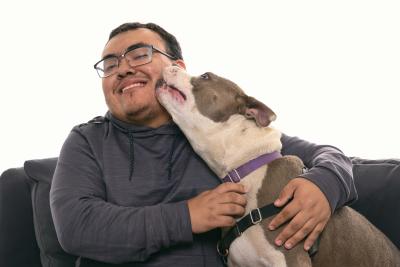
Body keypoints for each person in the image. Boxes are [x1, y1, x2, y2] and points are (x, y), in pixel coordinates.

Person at [50, 22, 357, 266]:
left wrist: (325, 185)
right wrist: (187, 216)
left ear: (178, 68)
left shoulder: (227, 135)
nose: (123, 68)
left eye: (139, 54)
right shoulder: (86, 140)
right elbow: (76, 226)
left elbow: (329, 156)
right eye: (110, 64)